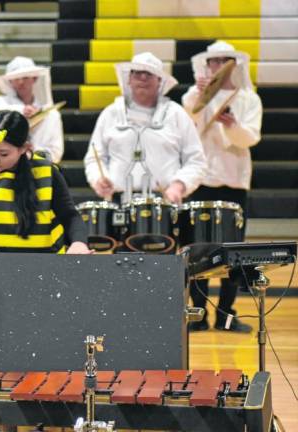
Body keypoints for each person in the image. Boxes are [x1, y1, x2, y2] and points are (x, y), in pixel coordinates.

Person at [182, 41, 262, 333]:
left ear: (233, 64)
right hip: (201, 181)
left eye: (223, 61)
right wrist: (199, 91)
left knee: (232, 253)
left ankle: (226, 316)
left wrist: (231, 125)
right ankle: (199, 315)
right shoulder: (197, 94)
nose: (217, 66)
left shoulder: (249, 99)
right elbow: (186, 114)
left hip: (233, 183)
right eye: (213, 61)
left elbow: (249, 138)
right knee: (199, 251)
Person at [0, 110, 92, 254]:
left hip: (41, 266)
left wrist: (79, 243)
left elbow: (69, 216)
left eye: (3, 154)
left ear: (24, 148)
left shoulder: (46, 172)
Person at [84, 52, 206, 205]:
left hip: (165, 205)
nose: (143, 78)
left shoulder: (176, 114)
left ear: (159, 81)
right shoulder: (110, 114)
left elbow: (196, 161)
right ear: (129, 79)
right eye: (137, 73)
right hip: (117, 204)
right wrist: (98, 179)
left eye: (149, 74)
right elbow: (94, 158)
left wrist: (178, 186)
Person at [0, 56, 65, 164]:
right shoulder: (0, 103)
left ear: (34, 78)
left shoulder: (51, 115)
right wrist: (22, 111)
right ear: (10, 81)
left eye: (25, 77)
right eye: (16, 78)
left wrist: (33, 150)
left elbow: (56, 153)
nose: (21, 82)